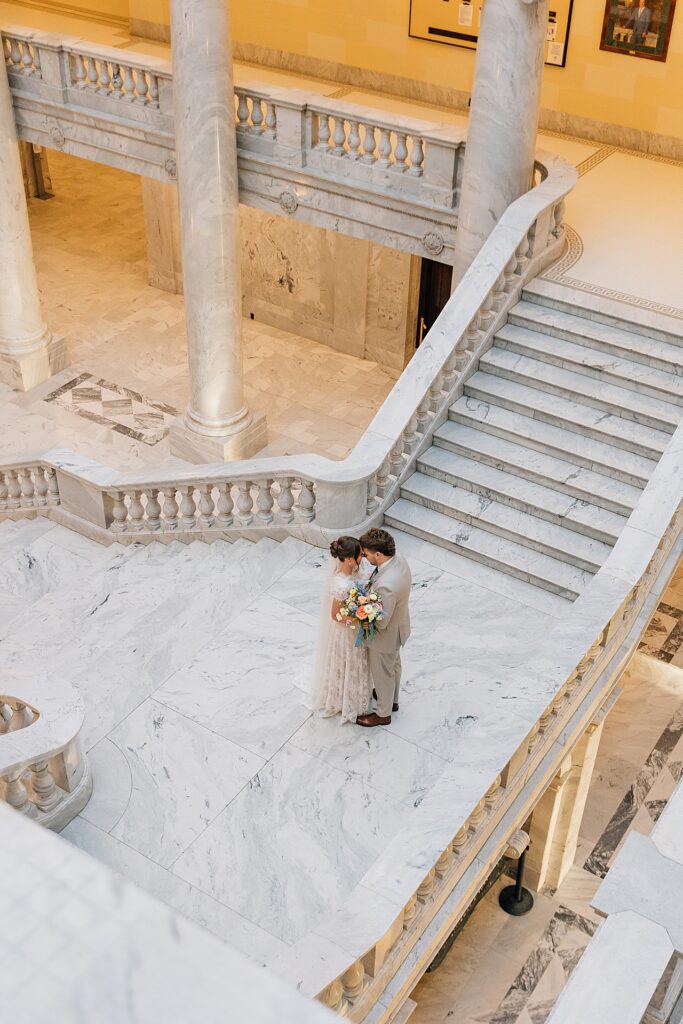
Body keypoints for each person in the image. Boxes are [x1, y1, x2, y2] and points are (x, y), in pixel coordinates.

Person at [310, 535, 373, 724]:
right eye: (360, 555)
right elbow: (336, 615)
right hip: (345, 631)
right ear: (348, 558)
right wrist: (357, 619)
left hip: (354, 624)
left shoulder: (354, 571)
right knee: (347, 663)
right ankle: (343, 700)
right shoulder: (340, 584)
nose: (362, 558)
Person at [356, 528, 412, 728]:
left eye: (366, 554)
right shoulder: (398, 559)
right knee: (394, 666)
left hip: (386, 637)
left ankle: (383, 713)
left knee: (383, 674)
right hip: (401, 624)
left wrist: (359, 610)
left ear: (378, 554)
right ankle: (392, 701)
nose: (364, 557)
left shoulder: (387, 585)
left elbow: (381, 621)